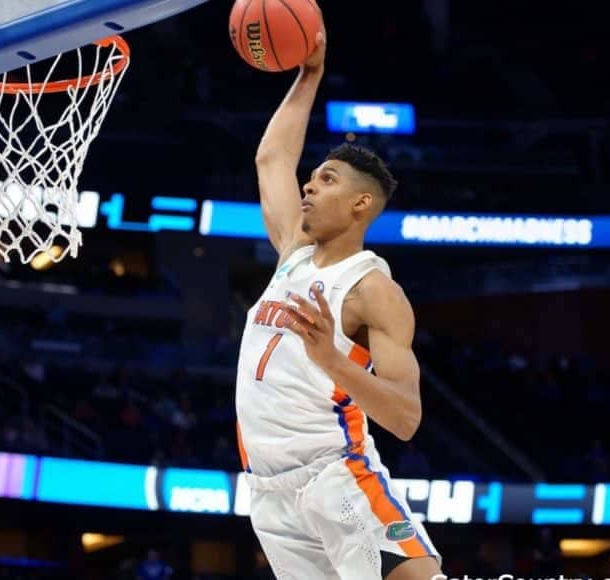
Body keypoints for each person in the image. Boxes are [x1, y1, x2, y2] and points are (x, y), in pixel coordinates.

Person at [234, 24, 443, 580]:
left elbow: (405, 418)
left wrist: (331, 359)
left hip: (336, 476)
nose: (307, 186)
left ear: (361, 203)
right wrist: (310, 73)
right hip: (266, 490)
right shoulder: (291, 255)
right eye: (311, 178)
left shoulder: (373, 289)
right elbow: (271, 160)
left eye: (325, 180)